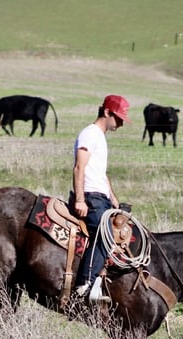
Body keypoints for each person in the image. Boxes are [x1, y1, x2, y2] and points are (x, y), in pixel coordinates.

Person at [70, 94, 130, 304]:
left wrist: (113, 197)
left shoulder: (99, 137)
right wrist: (80, 199)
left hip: (100, 197)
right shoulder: (90, 133)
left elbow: (100, 173)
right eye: (119, 118)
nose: (121, 123)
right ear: (106, 112)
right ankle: (84, 284)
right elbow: (80, 167)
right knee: (104, 235)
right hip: (91, 197)